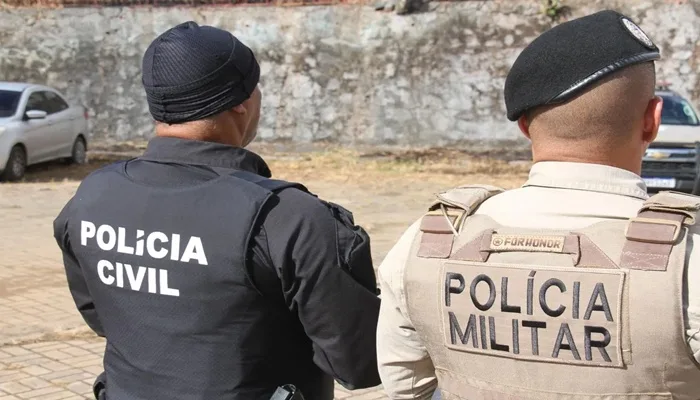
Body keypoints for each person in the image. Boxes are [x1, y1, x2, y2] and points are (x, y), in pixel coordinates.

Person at [376, 10, 700, 400]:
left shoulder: (427, 242)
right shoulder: (689, 258)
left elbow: (407, 388)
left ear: (525, 126)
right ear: (652, 121)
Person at [53, 21, 381, 400]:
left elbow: (102, 316)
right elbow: (360, 363)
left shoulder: (90, 197)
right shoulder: (289, 218)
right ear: (241, 100)